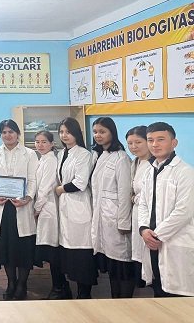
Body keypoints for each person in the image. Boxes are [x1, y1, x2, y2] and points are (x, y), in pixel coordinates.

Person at [138, 122, 194, 297]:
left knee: (178, 297)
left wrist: (157, 236)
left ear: (174, 143)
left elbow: (184, 211)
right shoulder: (149, 171)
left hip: (173, 241)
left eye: (161, 139)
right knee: (158, 289)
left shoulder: (185, 172)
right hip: (152, 241)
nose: (155, 144)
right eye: (150, 140)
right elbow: (143, 204)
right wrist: (143, 229)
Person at [0, 119, 37, 300]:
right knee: (6, 248)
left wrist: (27, 197)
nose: (8, 135)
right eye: (4, 132)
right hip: (2, 206)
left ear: (18, 133)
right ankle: (11, 283)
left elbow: (32, 180)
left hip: (21, 206)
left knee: (23, 248)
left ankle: (22, 284)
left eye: (11, 132)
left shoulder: (29, 154)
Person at [90, 117, 134, 298]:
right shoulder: (101, 155)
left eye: (102, 131)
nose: (98, 135)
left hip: (115, 218)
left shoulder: (121, 157)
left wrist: (123, 222)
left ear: (112, 133)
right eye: (95, 132)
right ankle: (115, 299)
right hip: (103, 216)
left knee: (122, 263)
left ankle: (125, 302)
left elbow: (124, 193)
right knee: (112, 264)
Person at [55, 117, 97, 299]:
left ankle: (84, 293)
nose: (64, 135)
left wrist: (60, 189)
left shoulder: (83, 154)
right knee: (69, 251)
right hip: (66, 207)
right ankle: (72, 290)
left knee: (82, 253)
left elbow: (80, 182)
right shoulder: (62, 153)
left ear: (77, 133)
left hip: (79, 206)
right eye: (61, 132)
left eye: (68, 132)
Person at [32, 131, 65, 299]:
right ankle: (59, 286)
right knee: (50, 251)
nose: (40, 145)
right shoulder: (43, 159)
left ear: (52, 144)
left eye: (44, 142)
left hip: (48, 209)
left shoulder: (51, 160)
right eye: (37, 142)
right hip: (44, 207)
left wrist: (36, 208)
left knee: (53, 252)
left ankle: (59, 287)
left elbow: (45, 188)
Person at [126, 125, 151, 288]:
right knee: (138, 250)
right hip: (136, 213)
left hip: (148, 215)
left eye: (138, 142)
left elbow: (151, 193)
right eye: (130, 143)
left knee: (147, 252)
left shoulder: (153, 164)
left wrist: (134, 198)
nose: (134, 146)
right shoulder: (135, 162)